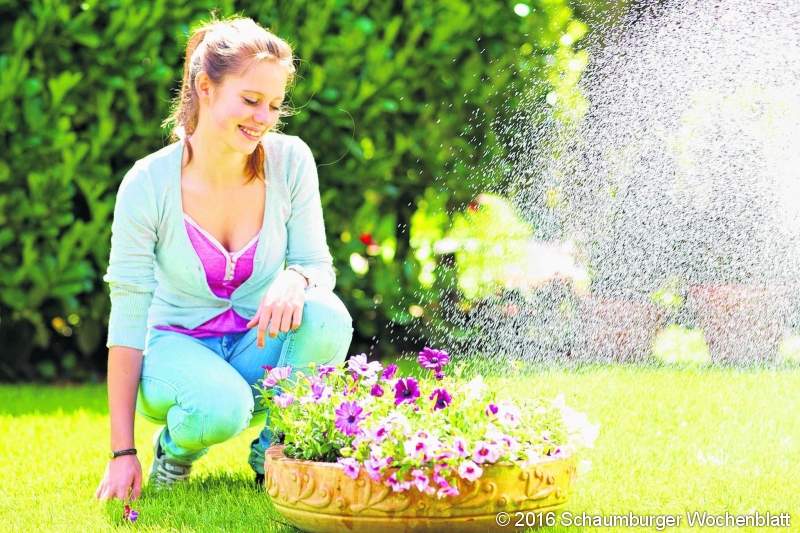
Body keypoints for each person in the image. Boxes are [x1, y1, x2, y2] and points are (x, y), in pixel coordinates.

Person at [94, 16, 353, 502]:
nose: (263, 117)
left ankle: (274, 455)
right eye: (250, 100)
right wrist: (121, 452)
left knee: (327, 314)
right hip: (173, 353)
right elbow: (127, 319)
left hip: (256, 346)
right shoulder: (147, 184)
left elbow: (317, 263)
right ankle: (175, 451)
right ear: (205, 88)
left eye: (274, 105)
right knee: (222, 407)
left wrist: (297, 277)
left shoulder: (291, 161)